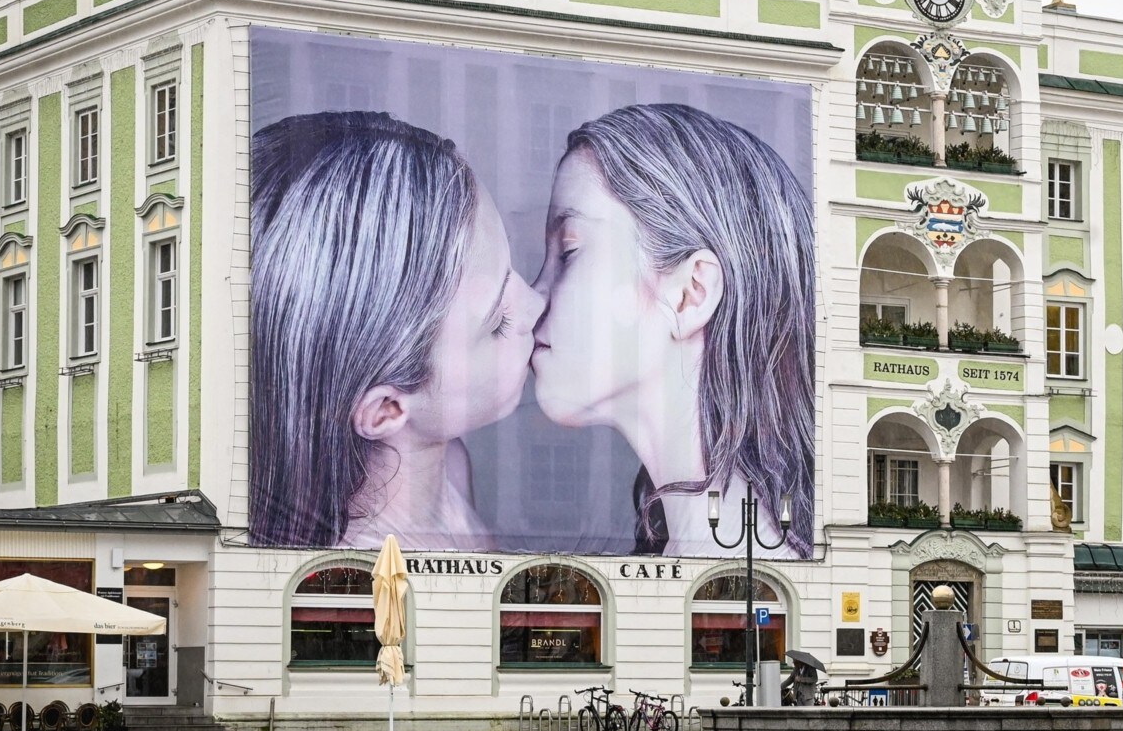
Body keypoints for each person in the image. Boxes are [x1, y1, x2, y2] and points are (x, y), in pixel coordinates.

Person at [531, 103, 815, 558]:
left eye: (569, 250)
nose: (533, 296)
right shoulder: (709, 550)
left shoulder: (741, 565)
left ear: (691, 293)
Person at [248, 112, 543, 548]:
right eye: (497, 323)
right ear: (385, 409)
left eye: (511, 269)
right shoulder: (358, 578)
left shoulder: (451, 466)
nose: (536, 303)